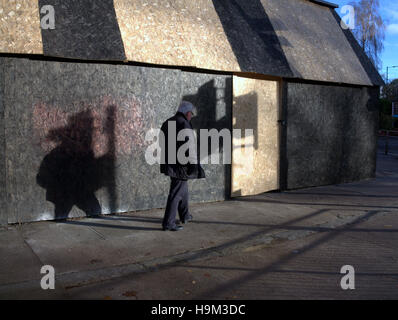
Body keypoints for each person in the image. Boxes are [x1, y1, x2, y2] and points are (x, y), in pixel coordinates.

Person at [160, 101, 205, 231]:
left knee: (182, 190)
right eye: (191, 113)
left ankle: (185, 215)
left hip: (170, 162)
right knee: (176, 193)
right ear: (187, 113)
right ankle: (168, 223)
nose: (191, 116)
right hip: (181, 165)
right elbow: (189, 146)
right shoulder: (184, 124)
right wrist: (193, 164)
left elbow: (162, 142)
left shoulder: (168, 122)